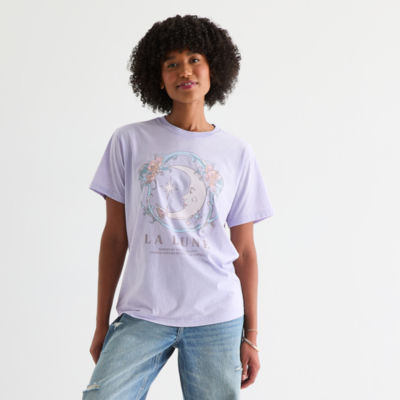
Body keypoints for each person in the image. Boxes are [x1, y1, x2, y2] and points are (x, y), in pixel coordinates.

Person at [82, 14, 274, 400]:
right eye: (171, 63)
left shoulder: (237, 153)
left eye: (194, 60)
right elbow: (115, 238)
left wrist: (251, 335)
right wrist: (102, 324)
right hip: (143, 313)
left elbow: (245, 251)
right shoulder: (129, 142)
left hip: (217, 316)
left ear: (214, 68)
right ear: (158, 77)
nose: (184, 71)